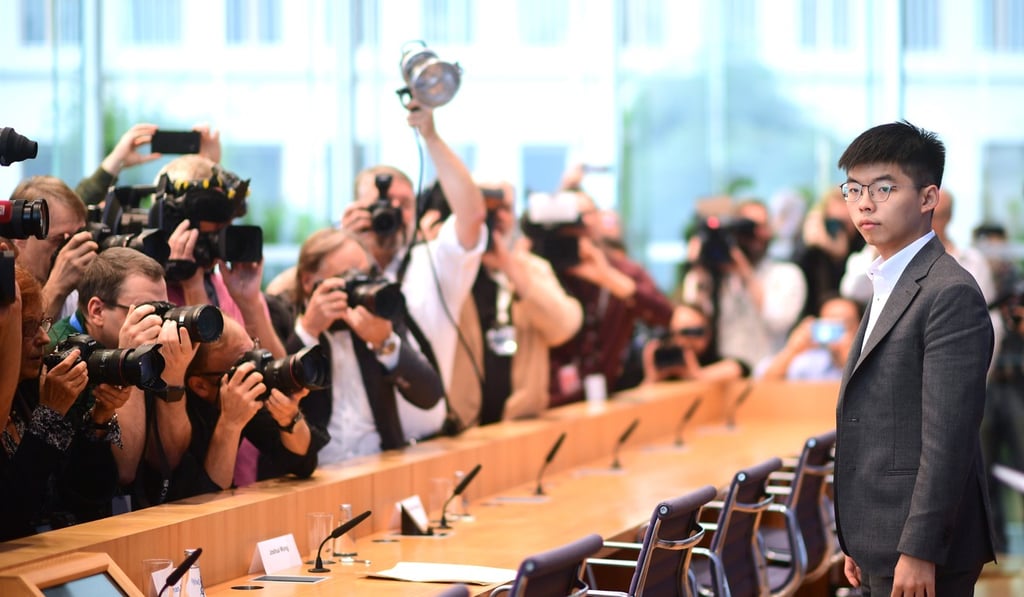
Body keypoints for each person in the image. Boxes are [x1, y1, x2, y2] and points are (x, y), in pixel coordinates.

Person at [833, 121, 995, 596]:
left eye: (884, 188)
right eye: (854, 188)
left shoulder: (949, 293)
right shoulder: (887, 280)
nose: (865, 202)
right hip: (881, 535)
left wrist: (920, 549)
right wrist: (858, 538)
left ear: (928, 199)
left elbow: (950, 436)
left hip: (921, 547)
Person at [48, 248, 199, 506]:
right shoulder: (58, 353)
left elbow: (167, 459)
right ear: (96, 310)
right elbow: (125, 470)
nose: (159, 323)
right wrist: (130, 362)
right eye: (146, 311)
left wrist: (174, 376)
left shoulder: (151, 348)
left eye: (164, 310)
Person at [287, 228, 445, 462]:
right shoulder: (284, 318)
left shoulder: (376, 318)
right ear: (309, 282)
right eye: (348, 278)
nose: (358, 288)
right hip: (315, 472)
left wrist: (385, 343)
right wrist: (309, 331)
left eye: (364, 276)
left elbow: (430, 395)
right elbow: (277, 399)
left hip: (380, 464)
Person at [445, 181, 583, 428]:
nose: (497, 216)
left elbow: (565, 327)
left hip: (520, 423)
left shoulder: (531, 268)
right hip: (461, 425)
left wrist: (511, 269)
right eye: (487, 207)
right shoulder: (448, 268)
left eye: (506, 208)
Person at [547, 190, 674, 407]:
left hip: (609, 396)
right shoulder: (542, 270)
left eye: (586, 214)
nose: (580, 223)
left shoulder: (622, 270)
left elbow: (665, 315)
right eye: (572, 216)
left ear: (598, 218)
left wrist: (607, 277)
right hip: (551, 403)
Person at [183, 317, 325, 491]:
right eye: (244, 363)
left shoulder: (247, 396)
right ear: (200, 386)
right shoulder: (178, 416)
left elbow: (304, 463)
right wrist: (230, 424)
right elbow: (206, 496)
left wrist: (290, 418)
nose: (257, 365)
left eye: (254, 348)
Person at [679, 199, 808, 371]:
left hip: (769, 377)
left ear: (769, 231)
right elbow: (696, 326)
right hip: (724, 376)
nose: (754, 235)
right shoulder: (715, 278)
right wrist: (700, 268)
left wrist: (745, 272)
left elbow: (777, 321)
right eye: (746, 228)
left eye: (760, 227)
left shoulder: (786, 274)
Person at [10, 176, 97, 320]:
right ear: (20, 238)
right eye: (59, 240)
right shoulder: (6, 291)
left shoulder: (75, 294)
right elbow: (20, 339)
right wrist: (56, 289)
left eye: (76, 237)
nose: (70, 251)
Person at [756, 295, 861, 381]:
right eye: (831, 324)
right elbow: (763, 381)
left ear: (860, 327)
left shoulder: (870, 363)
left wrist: (849, 362)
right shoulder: (807, 361)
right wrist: (792, 350)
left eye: (846, 324)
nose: (838, 332)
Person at [639, 302, 745, 385]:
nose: (684, 340)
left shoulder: (710, 359)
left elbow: (738, 368)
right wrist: (651, 378)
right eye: (675, 333)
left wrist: (697, 374)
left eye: (692, 332)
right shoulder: (663, 360)